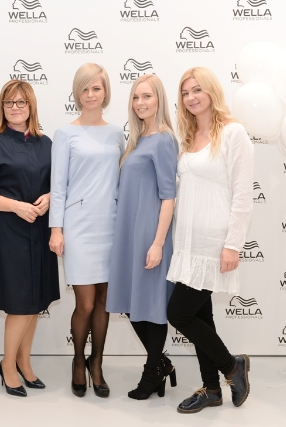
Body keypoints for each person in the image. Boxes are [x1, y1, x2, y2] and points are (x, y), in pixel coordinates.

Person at [166, 67, 253, 414]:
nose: (191, 97)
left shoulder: (233, 133)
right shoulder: (188, 137)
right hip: (187, 241)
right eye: (185, 92)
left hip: (214, 242)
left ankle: (233, 367)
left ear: (212, 92)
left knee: (178, 313)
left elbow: (243, 194)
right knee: (201, 315)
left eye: (197, 90)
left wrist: (233, 244)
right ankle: (212, 389)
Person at [0, 80, 59, 397]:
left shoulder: (46, 143)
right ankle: (7, 366)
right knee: (20, 303)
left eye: (21, 102)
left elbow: (59, 184)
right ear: (2, 107)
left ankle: (24, 361)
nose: (15, 107)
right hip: (8, 232)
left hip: (40, 229)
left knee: (34, 302)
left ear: (31, 106)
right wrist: (16, 206)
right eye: (9, 102)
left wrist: (50, 197)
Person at [49, 63, 124, 398]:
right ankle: (78, 361)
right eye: (85, 89)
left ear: (105, 92)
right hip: (78, 226)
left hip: (110, 225)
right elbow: (58, 187)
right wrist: (56, 229)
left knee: (104, 302)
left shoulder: (117, 133)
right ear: (76, 94)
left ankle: (97, 364)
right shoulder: (65, 134)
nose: (91, 94)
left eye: (97, 88)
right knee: (86, 303)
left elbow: (121, 182)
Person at [106, 74, 178, 400]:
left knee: (151, 304)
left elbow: (169, 196)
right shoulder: (138, 139)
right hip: (128, 232)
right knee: (129, 302)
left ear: (159, 99)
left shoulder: (163, 139)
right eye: (136, 97)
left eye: (147, 96)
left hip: (150, 232)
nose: (140, 103)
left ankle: (152, 373)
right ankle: (161, 363)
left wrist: (158, 243)